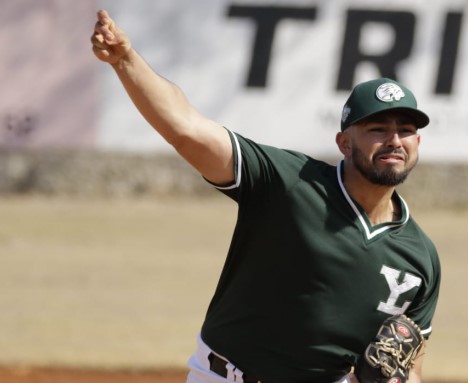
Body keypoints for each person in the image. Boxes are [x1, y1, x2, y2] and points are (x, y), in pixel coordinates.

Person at [91, 9, 441, 383]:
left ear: (417, 142)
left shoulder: (420, 258)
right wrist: (125, 60)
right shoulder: (289, 183)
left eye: (406, 130)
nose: (394, 140)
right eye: (377, 128)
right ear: (343, 142)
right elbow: (187, 130)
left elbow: (411, 369)